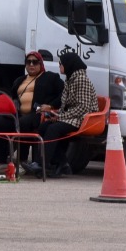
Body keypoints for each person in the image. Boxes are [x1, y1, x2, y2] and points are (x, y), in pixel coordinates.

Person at [38, 49, 96, 177]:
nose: (59, 66)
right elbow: (65, 105)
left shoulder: (81, 80)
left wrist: (60, 116)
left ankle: (43, 165)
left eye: (61, 64)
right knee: (44, 127)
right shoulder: (70, 80)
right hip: (70, 116)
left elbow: (83, 108)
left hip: (82, 118)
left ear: (69, 65)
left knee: (53, 129)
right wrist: (55, 113)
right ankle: (61, 163)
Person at [11, 49, 63, 173]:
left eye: (35, 62)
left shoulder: (50, 77)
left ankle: (21, 160)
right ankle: (0, 160)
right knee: (0, 122)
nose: (31, 65)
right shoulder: (20, 80)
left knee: (23, 123)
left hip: (39, 114)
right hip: (19, 114)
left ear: (41, 64)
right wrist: (13, 101)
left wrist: (51, 106)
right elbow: (12, 95)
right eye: (28, 62)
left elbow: (64, 94)